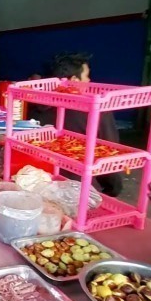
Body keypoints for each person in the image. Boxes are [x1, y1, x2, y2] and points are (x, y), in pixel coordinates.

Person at [29, 53, 122, 197]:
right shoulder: (98, 112)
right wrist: (113, 189)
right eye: (87, 76)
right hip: (80, 191)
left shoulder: (34, 108)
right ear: (73, 81)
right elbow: (109, 156)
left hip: (38, 184)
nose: (89, 80)